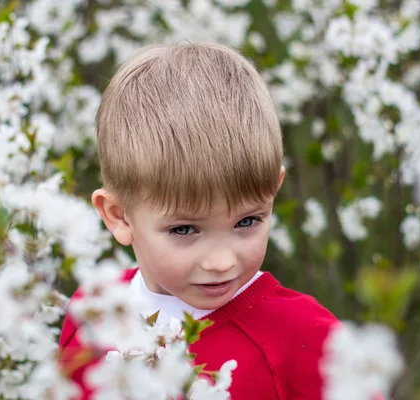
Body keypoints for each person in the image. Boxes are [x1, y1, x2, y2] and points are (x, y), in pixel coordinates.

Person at [58, 42, 339, 400]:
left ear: (274, 191)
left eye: (247, 221)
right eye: (185, 229)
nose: (221, 261)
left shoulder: (307, 338)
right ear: (119, 216)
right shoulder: (92, 315)